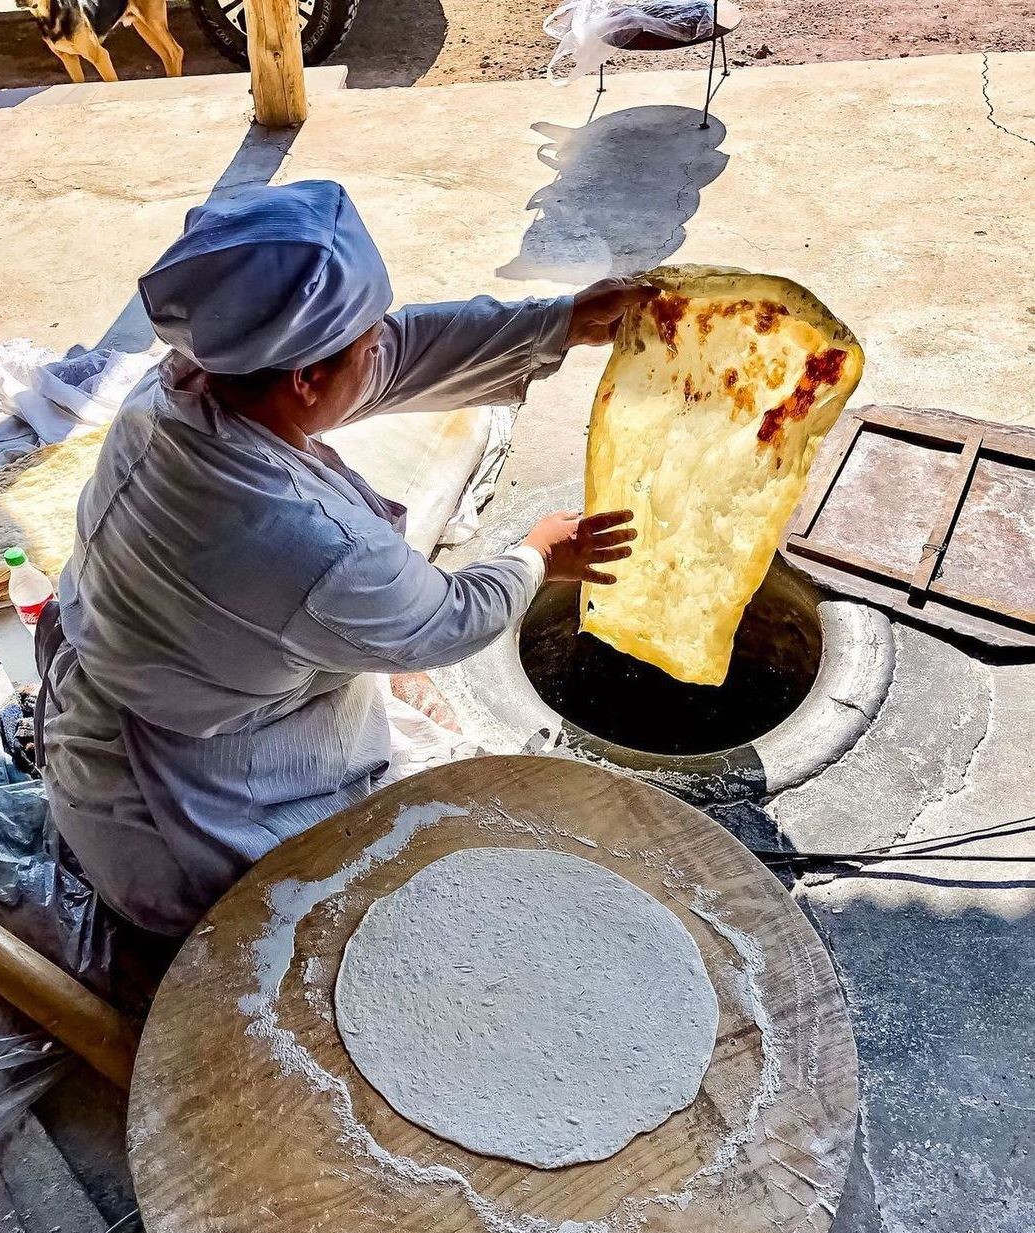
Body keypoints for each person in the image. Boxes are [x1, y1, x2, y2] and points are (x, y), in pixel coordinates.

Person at [38, 181, 655, 938]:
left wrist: (556, 323)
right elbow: (447, 619)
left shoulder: (181, 385)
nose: (380, 352)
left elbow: (391, 354)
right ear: (305, 378)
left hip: (117, 684)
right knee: (324, 916)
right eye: (363, 347)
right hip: (188, 799)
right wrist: (536, 555)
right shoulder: (311, 544)